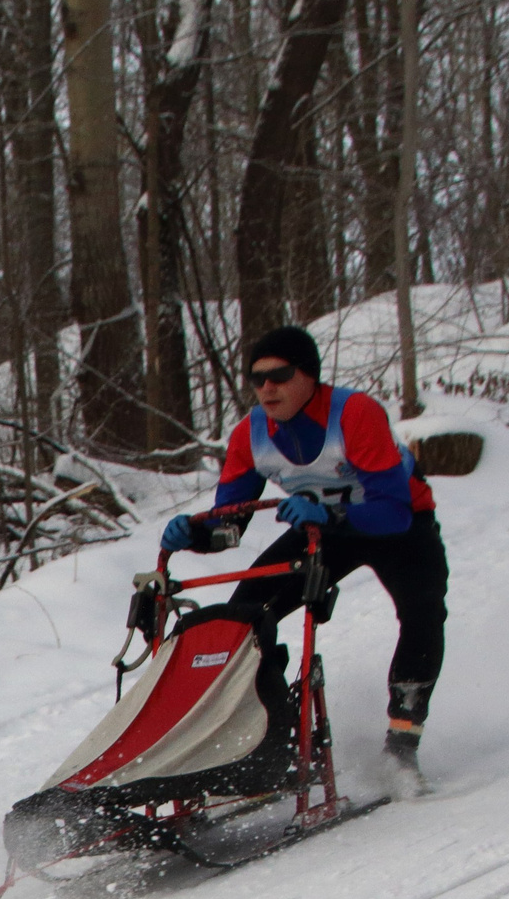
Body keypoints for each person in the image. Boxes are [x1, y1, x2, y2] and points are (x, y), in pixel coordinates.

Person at [160, 324, 448, 781]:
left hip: (397, 523)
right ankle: (271, 737)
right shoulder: (250, 434)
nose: (267, 388)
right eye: (257, 379)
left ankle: (401, 747)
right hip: (321, 528)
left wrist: (329, 515)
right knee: (244, 618)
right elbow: (227, 525)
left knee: (423, 610)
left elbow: (392, 512)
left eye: (280, 375)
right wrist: (194, 534)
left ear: (310, 376)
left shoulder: (354, 412)